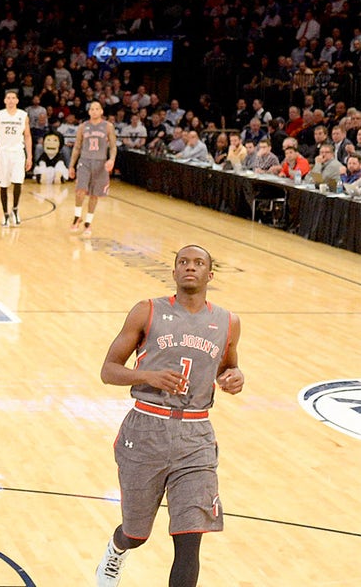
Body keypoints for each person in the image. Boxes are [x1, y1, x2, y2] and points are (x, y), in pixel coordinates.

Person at [94, 244, 244, 587]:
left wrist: (235, 377)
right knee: (136, 533)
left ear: (210, 274)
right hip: (146, 429)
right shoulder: (146, 311)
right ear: (174, 272)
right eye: (183, 262)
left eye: (198, 263)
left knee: (190, 537)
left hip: (196, 436)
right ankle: (118, 548)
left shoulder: (228, 322)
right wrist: (148, 376)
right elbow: (108, 370)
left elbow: (229, 367)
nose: (190, 267)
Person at [68, 101, 118, 236]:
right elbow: (77, 147)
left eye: (97, 109)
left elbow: (113, 146)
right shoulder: (83, 127)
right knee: (80, 190)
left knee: (94, 194)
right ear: (89, 112)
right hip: (85, 161)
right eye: (92, 109)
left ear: (101, 111)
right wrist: (71, 165)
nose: (94, 111)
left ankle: (88, 222)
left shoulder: (108, 126)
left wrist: (112, 160)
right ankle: (77, 216)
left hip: (100, 163)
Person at [0, 91, 33, 226]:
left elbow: (27, 136)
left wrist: (29, 156)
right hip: (3, 152)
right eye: (8, 98)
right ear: (5, 100)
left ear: (17, 101)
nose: (11, 100)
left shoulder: (23, 115)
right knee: (3, 184)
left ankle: (15, 209)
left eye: (13, 98)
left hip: (18, 152)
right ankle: (5, 214)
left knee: (18, 181)